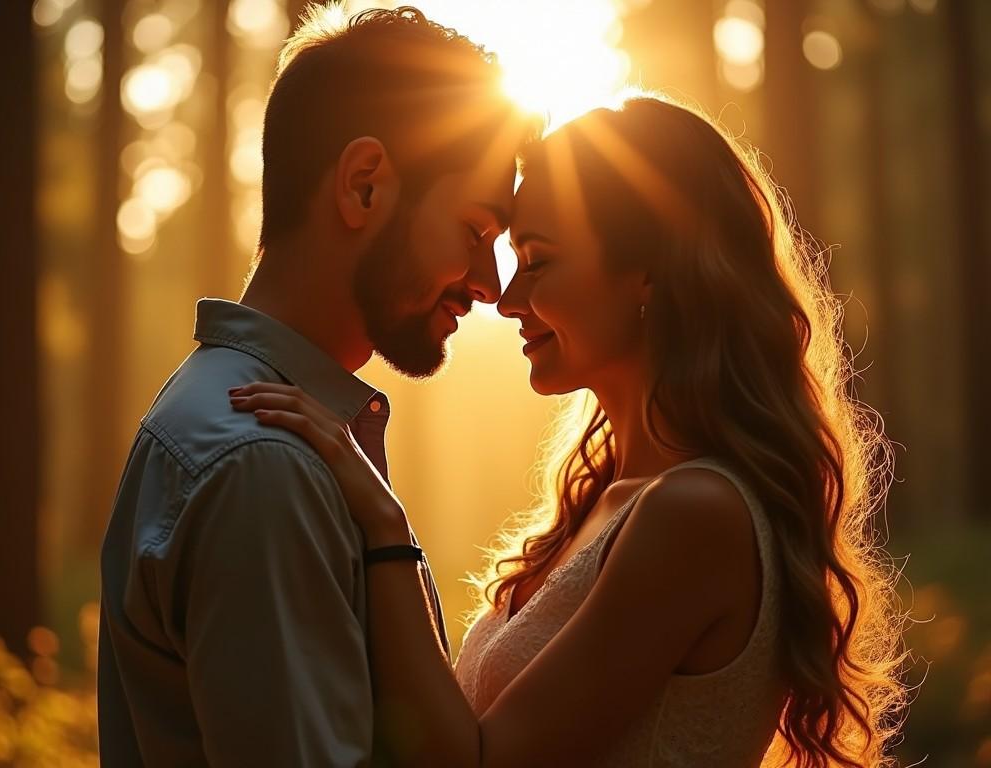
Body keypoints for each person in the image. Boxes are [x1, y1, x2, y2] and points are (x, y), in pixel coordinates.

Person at [230, 94, 906, 766]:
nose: (509, 299)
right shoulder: (621, 498)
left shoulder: (696, 514)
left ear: (649, 272)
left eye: (539, 260)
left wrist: (382, 525)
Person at [97, 6, 538, 766]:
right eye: (474, 230)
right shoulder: (263, 465)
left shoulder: (248, 430)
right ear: (364, 186)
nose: (489, 286)